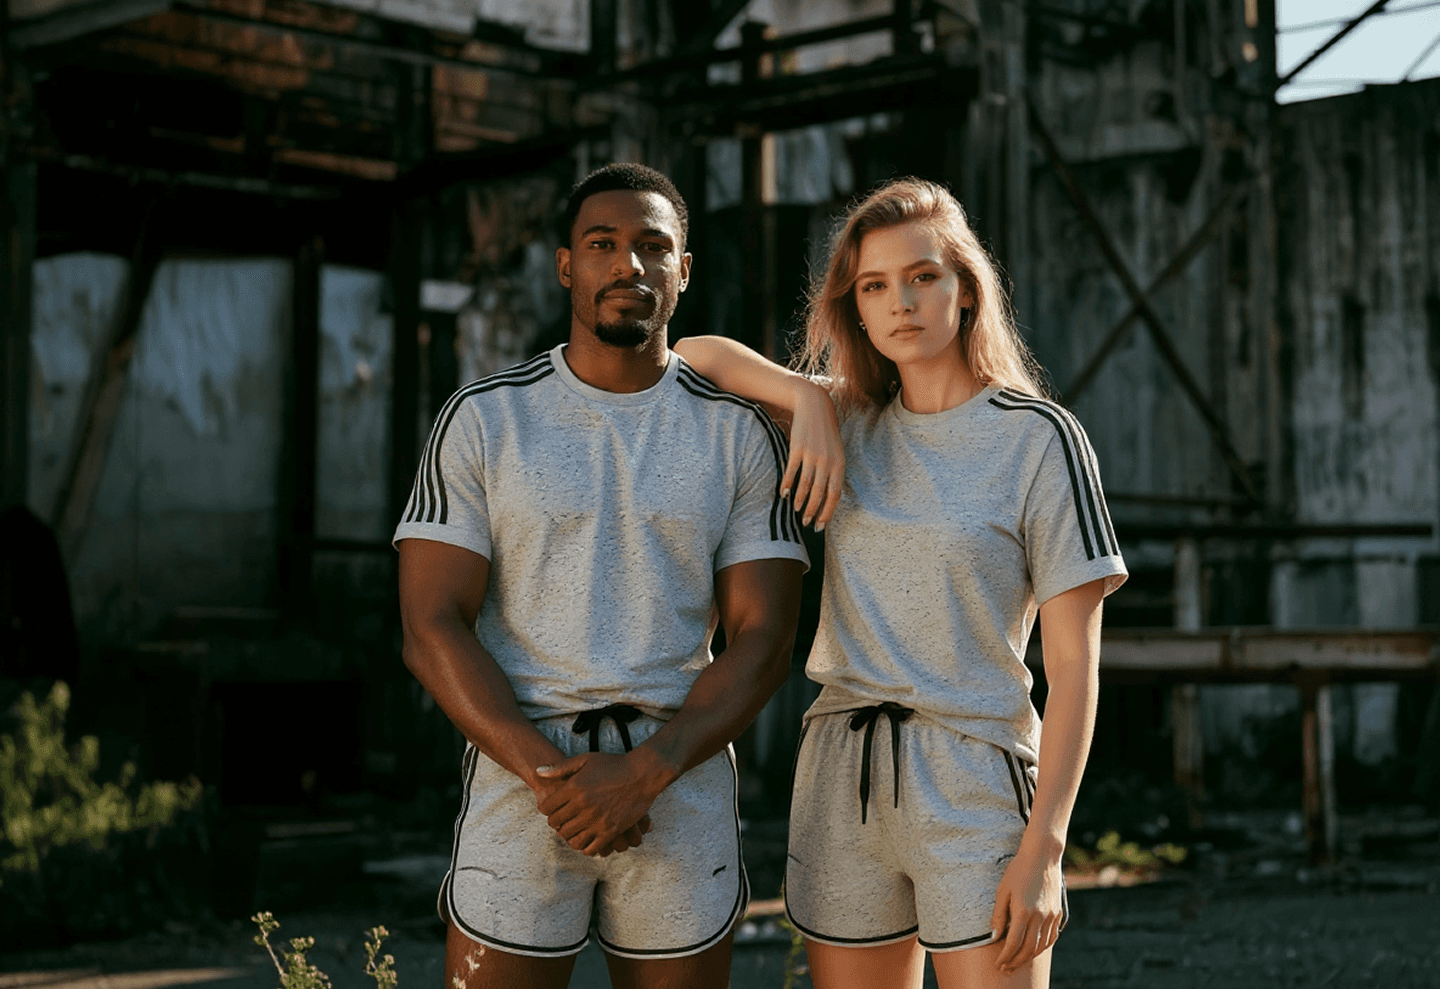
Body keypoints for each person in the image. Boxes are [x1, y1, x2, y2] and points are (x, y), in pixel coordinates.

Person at [673, 177, 1127, 989]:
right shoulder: (848, 420)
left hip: (974, 774)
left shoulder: (1039, 440)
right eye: (874, 286)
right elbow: (691, 356)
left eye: (922, 276)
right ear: (854, 308)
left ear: (966, 288)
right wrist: (805, 397)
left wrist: (1047, 848)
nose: (901, 303)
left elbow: (1075, 668)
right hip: (841, 772)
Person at [394, 163, 809, 989]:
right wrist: (552, 780)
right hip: (520, 777)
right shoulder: (485, 418)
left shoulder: (736, 434)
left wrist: (646, 771)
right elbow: (429, 623)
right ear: (565, 265)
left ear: (684, 270)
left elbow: (764, 636)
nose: (629, 265)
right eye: (602, 244)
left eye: (653, 246)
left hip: (679, 776)